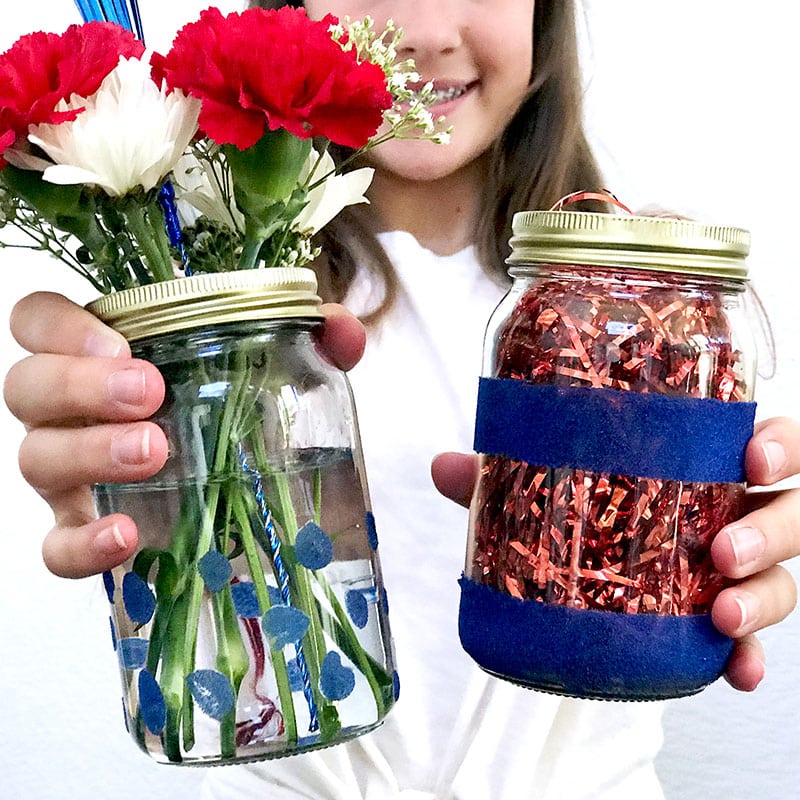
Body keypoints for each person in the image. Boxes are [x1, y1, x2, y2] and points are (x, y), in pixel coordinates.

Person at [4, 0, 799, 797]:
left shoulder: (660, 317)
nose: (424, 29)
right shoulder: (213, 306)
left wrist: (744, 541)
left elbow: (717, 534)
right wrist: (121, 456)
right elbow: (174, 542)